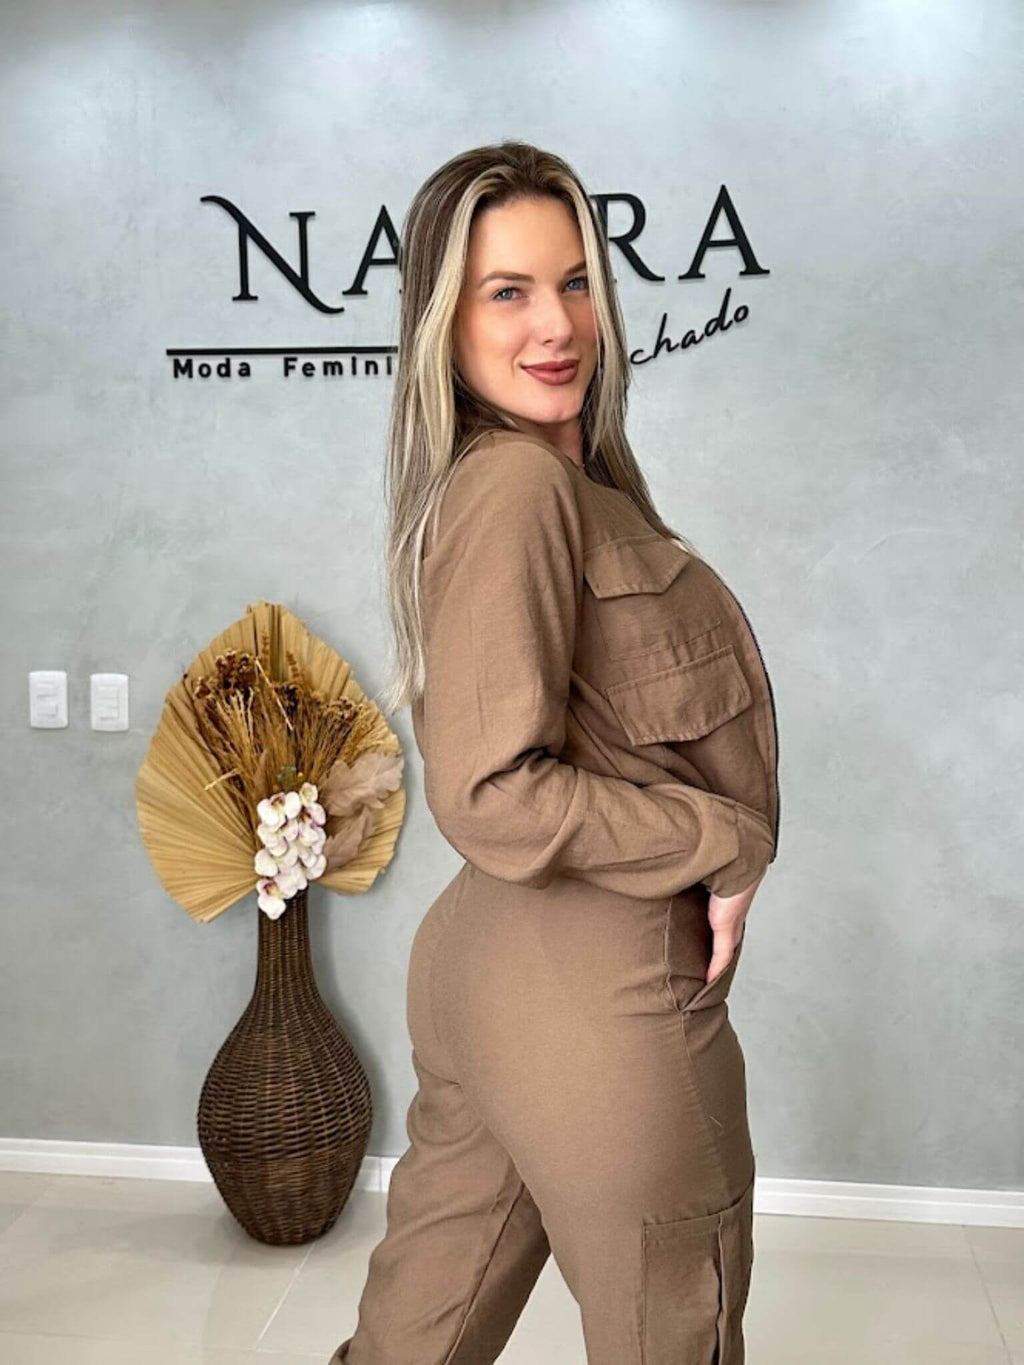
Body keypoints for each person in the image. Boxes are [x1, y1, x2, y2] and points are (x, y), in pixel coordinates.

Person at [330, 139, 779, 1365]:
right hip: (597, 988)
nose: (557, 324)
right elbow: (490, 791)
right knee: (671, 1335)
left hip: (490, 970)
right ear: (444, 323)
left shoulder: (570, 484)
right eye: (508, 292)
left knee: (414, 1339)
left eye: (575, 282)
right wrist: (723, 842)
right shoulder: (518, 487)